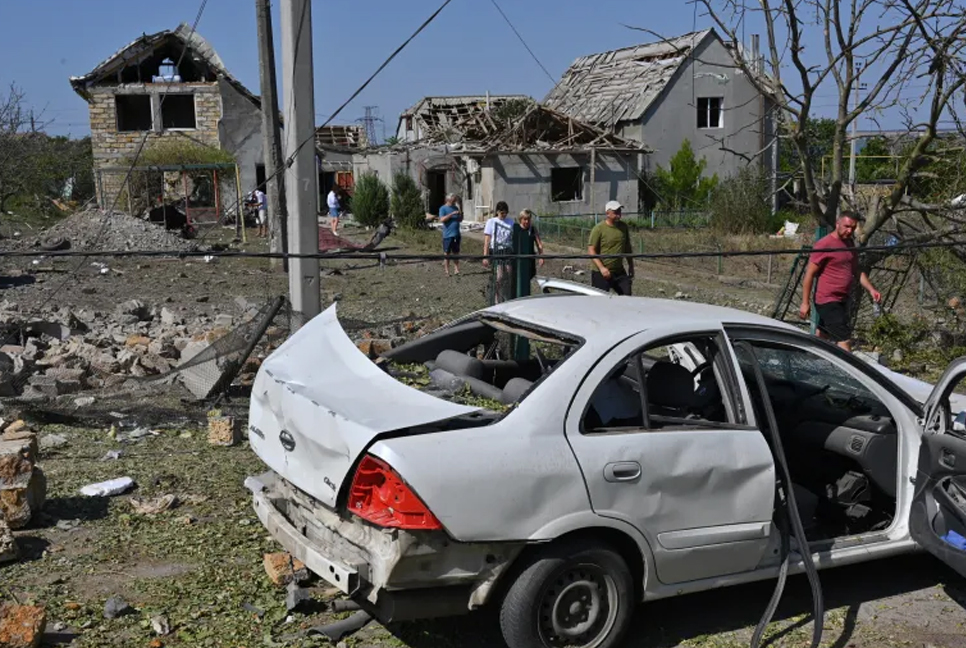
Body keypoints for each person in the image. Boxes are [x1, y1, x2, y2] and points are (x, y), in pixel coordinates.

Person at [799, 210, 881, 352]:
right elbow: (809, 275)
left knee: (822, 334)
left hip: (843, 299)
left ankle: (812, 360)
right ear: (838, 224)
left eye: (853, 228)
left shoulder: (850, 244)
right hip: (827, 300)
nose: (849, 231)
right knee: (844, 339)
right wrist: (805, 303)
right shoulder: (824, 244)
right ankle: (850, 372)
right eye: (846, 226)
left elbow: (857, 271)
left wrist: (871, 289)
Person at [588, 200, 634, 295]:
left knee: (627, 295)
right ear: (607, 213)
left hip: (619, 271)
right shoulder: (599, 229)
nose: (619, 214)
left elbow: (627, 247)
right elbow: (591, 250)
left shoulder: (623, 227)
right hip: (601, 272)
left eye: (619, 211)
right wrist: (602, 268)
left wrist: (631, 265)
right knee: (601, 300)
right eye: (615, 212)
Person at [483, 201, 515, 302]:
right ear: (497, 212)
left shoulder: (511, 222)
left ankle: (506, 295)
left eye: (505, 213)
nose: (504, 215)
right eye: (502, 213)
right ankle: (497, 297)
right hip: (496, 250)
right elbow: (487, 240)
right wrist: (485, 256)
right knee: (499, 276)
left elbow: (514, 236)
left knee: (509, 273)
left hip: (507, 250)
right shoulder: (491, 222)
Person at [438, 193, 463, 276]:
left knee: (456, 252)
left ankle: (456, 269)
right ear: (448, 199)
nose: (455, 200)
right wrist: (451, 214)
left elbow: (460, 220)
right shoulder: (443, 208)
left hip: (456, 234)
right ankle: (447, 271)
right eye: (454, 198)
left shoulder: (455, 207)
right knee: (447, 253)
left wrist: (460, 213)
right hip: (448, 235)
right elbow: (442, 219)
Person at [516, 209, 544, 282]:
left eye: (528, 219)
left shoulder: (533, 229)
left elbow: (539, 244)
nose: (527, 222)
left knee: (529, 278)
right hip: (519, 259)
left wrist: (541, 257)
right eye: (525, 219)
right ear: (520, 219)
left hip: (530, 259)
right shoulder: (516, 229)